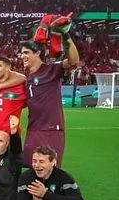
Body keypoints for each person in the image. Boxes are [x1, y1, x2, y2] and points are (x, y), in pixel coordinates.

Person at [21, 37, 80, 167]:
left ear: (37, 53)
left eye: (26, 53)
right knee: (31, 167)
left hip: (51, 130)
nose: (22, 56)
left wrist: (68, 39)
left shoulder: (51, 69)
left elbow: (74, 61)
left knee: (48, 169)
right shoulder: (27, 77)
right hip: (33, 129)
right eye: (22, 53)